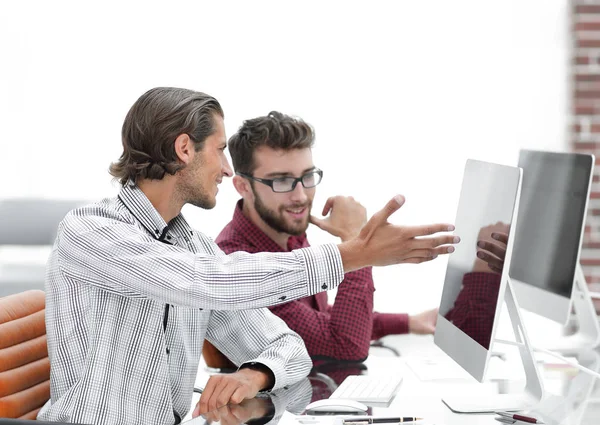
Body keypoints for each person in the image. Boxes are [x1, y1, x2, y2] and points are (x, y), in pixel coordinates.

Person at [39, 87, 457, 425]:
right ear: (185, 148)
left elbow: (288, 347)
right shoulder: (90, 232)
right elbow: (209, 280)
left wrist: (256, 373)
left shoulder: (192, 248)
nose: (225, 168)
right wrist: (353, 254)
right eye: (220, 150)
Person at [211, 111, 443, 362]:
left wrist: (408, 322)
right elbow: (345, 345)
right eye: (281, 181)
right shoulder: (238, 263)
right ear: (243, 186)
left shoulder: (285, 233)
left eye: (307, 177)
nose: (300, 196)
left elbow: (321, 322)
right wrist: (357, 241)